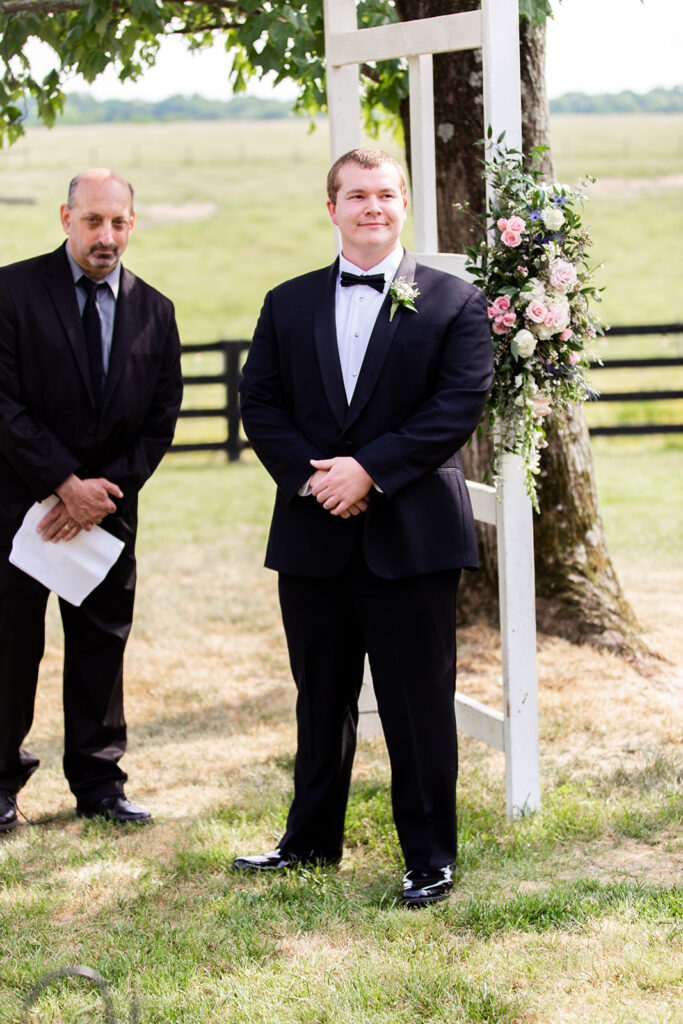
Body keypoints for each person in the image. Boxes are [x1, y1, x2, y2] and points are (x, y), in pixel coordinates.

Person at [234, 148, 493, 907]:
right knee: (319, 696)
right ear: (332, 209)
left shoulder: (452, 301)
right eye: (355, 195)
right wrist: (319, 481)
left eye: (384, 194)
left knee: (417, 700)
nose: (370, 206)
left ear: (404, 202)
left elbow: (456, 405)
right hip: (313, 531)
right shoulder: (286, 302)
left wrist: (367, 471)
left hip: (410, 534)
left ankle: (428, 857)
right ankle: (309, 841)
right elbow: (262, 405)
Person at [0, 168, 183, 831]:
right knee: (10, 647)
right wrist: (62, 485)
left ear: (132, 224)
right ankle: (0, 782)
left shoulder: (155, 311)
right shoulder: (11, 291)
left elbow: (161, 418)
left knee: (102, 646)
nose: (106, 236)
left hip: (107, 515)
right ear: (64, 217)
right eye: (93, 221)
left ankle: (100, 784)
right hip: (19, 510)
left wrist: (100, 495)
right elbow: (4, 405)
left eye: (118, 223)